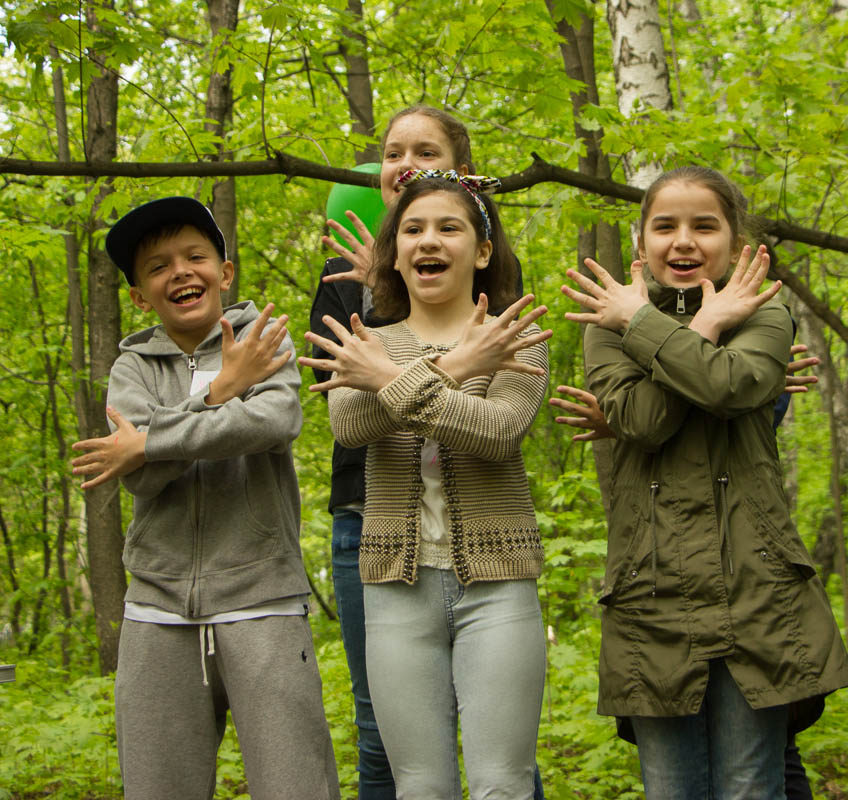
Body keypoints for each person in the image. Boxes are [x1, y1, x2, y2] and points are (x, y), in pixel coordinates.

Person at [561, 166, 848, 799]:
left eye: (705, 225)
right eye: (664, 226)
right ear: (641, 245)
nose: (684, 241)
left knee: (752, 786)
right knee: (672, 790)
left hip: (758, 586)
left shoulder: (767, 312)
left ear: (737, 241)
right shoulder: (605, 325)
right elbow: (642, 420)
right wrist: (696, 330)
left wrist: (657, 329)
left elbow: (733, 386)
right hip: (652, 589)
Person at [69, 197, 340, 800]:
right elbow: (140, 477)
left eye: (196, 256)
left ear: (226, 271)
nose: (181, 272)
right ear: (140, 296)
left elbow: (272, 423)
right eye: (159, 266)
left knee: (296, 784)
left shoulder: (265, 340)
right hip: (157, 609)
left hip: (263, 598)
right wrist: (221, 394)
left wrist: (153, 440)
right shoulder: (131, 368)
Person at [301, 171, 552, 798]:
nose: (428, 240)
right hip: (395, 587)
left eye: (449, 227)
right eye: (411, 229)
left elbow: (498, 432)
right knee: (420, 785)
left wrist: (401, 378)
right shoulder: (367, 341)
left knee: (503, 784)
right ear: (394, 251)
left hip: (499, 584)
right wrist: (457, 370)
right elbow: (352, 425)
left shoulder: (514, 338)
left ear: (483, 250)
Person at [551, 348, 824, 800]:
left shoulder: (759, 318)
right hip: (660, 581)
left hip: (747, 572)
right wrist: (633, 414)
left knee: (761, 769)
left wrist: (635, 410)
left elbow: (729, 399)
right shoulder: (615, 327)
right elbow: (645, 418)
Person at [308, 104, 476, 799]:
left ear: (462, 174)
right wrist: (382, 285)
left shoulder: (481, 261)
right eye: (393, 151)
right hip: (367, 520)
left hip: (479, 518)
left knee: (497, 730)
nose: (405, 162)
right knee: (381, 729)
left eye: (425, 150)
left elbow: (501, 395)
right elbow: (344, 406)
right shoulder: (344, 281)